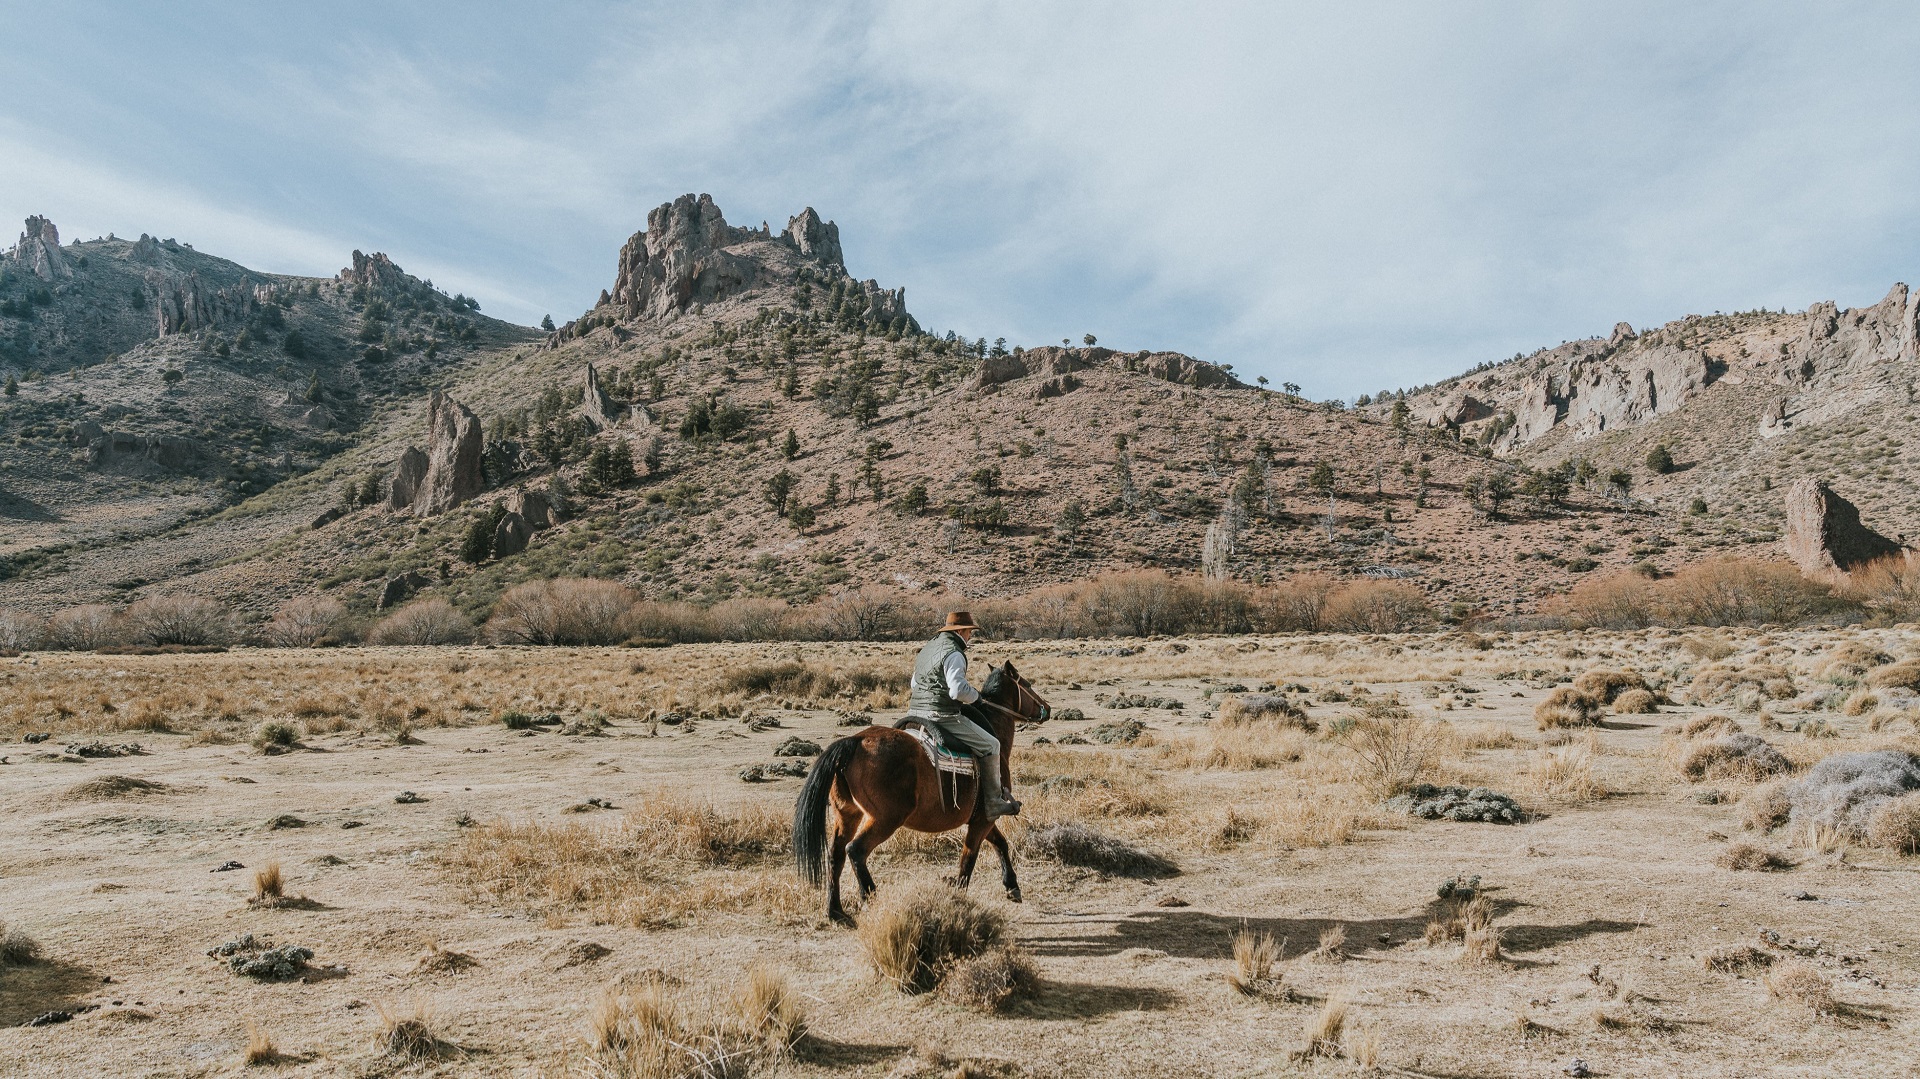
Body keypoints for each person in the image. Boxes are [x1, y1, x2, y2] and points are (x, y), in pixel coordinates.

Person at [905, 611, 1020, 818]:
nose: (970, 636)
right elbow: (957, 690)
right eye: (969, 632)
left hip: (914, 712)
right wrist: (975, 696)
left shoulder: (927, 650)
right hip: (941, 714)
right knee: (992, 745)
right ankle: (994, 802)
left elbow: (914, 684)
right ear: (959, 631)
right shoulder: (955, 653)